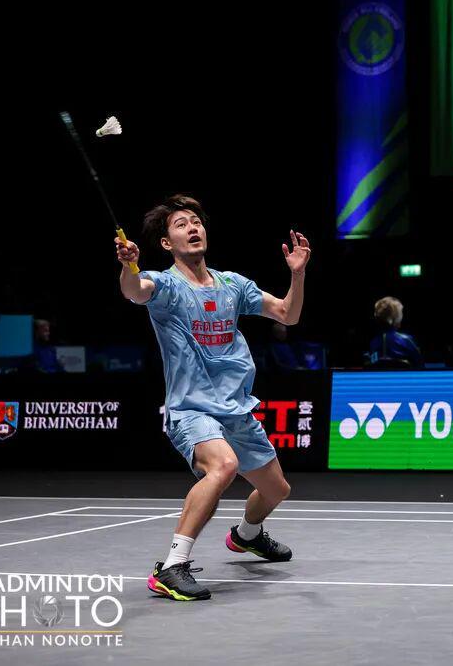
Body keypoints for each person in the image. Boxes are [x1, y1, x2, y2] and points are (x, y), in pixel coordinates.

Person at [115, 194, 311, 601]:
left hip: (236, 407)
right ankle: (171, 566)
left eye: (196, 221)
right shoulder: (165, 286)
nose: (193, 227)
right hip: (192, 408)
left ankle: (247, 535)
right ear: (166, 242)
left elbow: (287, 314)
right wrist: (128, 265)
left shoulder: (232, 285)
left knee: (277, 490)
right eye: (181, 224)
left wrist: (297, 274)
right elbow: (135, 291)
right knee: (223, 466)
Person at [367, 296, 423, 367]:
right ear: (397, 319)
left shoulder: (373, 342)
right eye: (401, 313)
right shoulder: (407, 340)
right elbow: (420, 365)